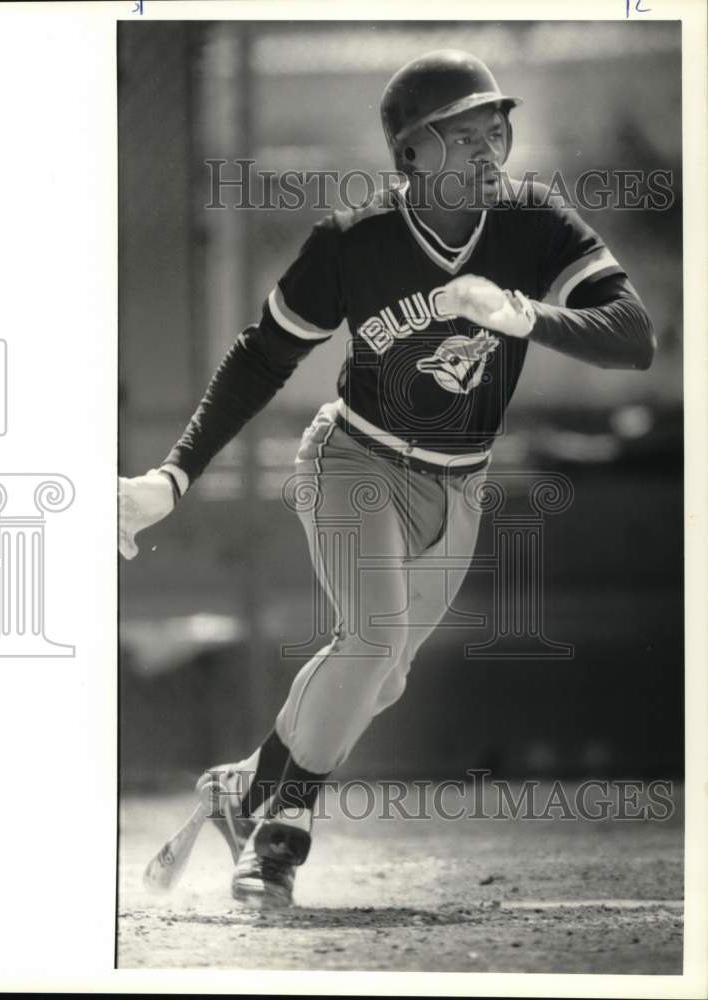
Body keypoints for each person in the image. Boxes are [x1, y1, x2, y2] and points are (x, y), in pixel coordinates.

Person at [119, 49, 655, 907]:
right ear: (409, 156)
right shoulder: (353, 242)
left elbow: (632, 337)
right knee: (370, 642)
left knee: (381, 671)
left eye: (498, 129)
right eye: (465, 134)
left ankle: (244, 786)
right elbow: (261, 358)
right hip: (353, 462)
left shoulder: (531, 223)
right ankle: (279, 835)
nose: (491, 149)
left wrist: (523, 313)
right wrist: (173, 477)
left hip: (458, 487)